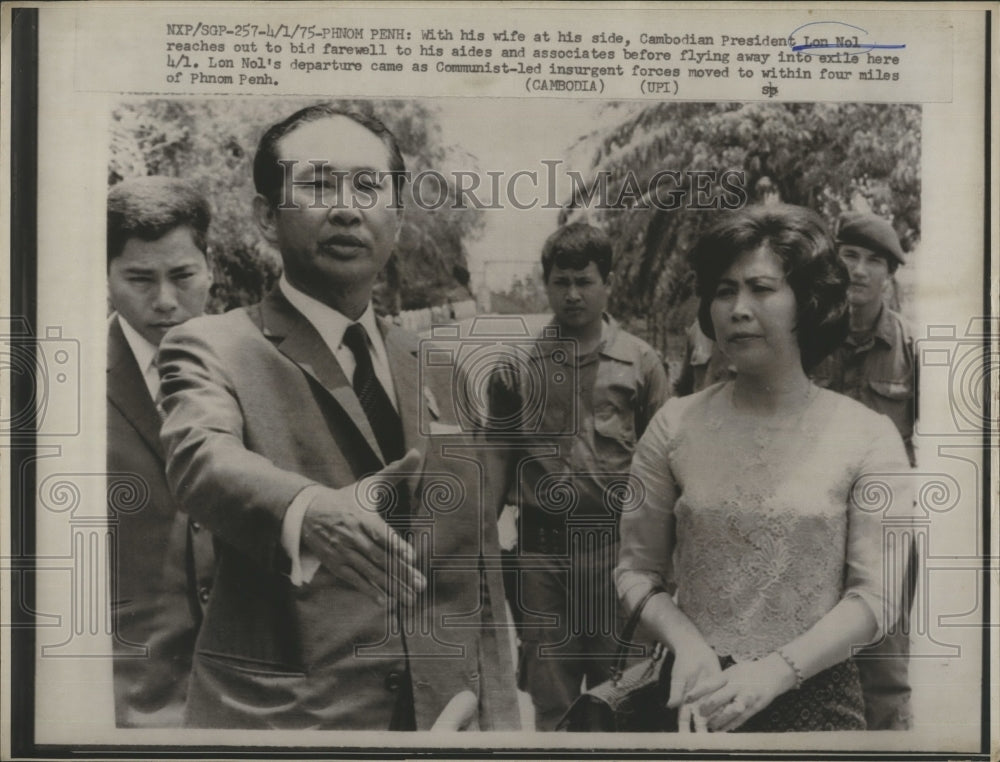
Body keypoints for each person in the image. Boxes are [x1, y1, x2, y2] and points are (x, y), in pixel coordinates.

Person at [157, 104, 519, 730]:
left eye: (369, 186)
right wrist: (309, 511)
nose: (347, 207)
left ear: (398, 220)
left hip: (439, 722)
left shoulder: (440, 368)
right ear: (267, 216)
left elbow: (476, 570)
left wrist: (502, 725)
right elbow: (201, 460)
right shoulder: (212, 344)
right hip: (287, 724)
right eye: (319, 185)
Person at [616, 204, 913, 731]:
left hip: (817, 707)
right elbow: (635, 572)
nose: (738, 309)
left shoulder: (868, 436)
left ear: (809, 302)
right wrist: (686, 643)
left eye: (762, 288)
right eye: (724, 291)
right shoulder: (673, 426)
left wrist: (775, 672)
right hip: (696, 702)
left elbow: (877, 596)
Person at [487, 222, 670, 730]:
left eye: (584, 281)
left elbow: (667, 475)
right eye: (560, 281)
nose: (572, 294)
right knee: (552, 703)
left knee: (629, 699)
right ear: (545, 284)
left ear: (606, 283)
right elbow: (493, 470)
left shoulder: (642, 364)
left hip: (619, 558)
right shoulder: (516, 370)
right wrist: (477, 548)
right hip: (542, 559)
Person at [106, 176, 216, 727]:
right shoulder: (62, 386)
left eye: (182, 275)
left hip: (249, 704)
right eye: (140, 280)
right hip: (129, 704)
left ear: (210, 267)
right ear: (106, 278)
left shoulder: (259, 369)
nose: (166, 301)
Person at [811, 211, 918, 730]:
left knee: (883, 670)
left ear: (889, 276)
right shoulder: (807, 340)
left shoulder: (911, 351)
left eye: (874, 260)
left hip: (883, 533)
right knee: (808, 663)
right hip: (814, 523)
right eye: (849, 255)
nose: (859, 270)